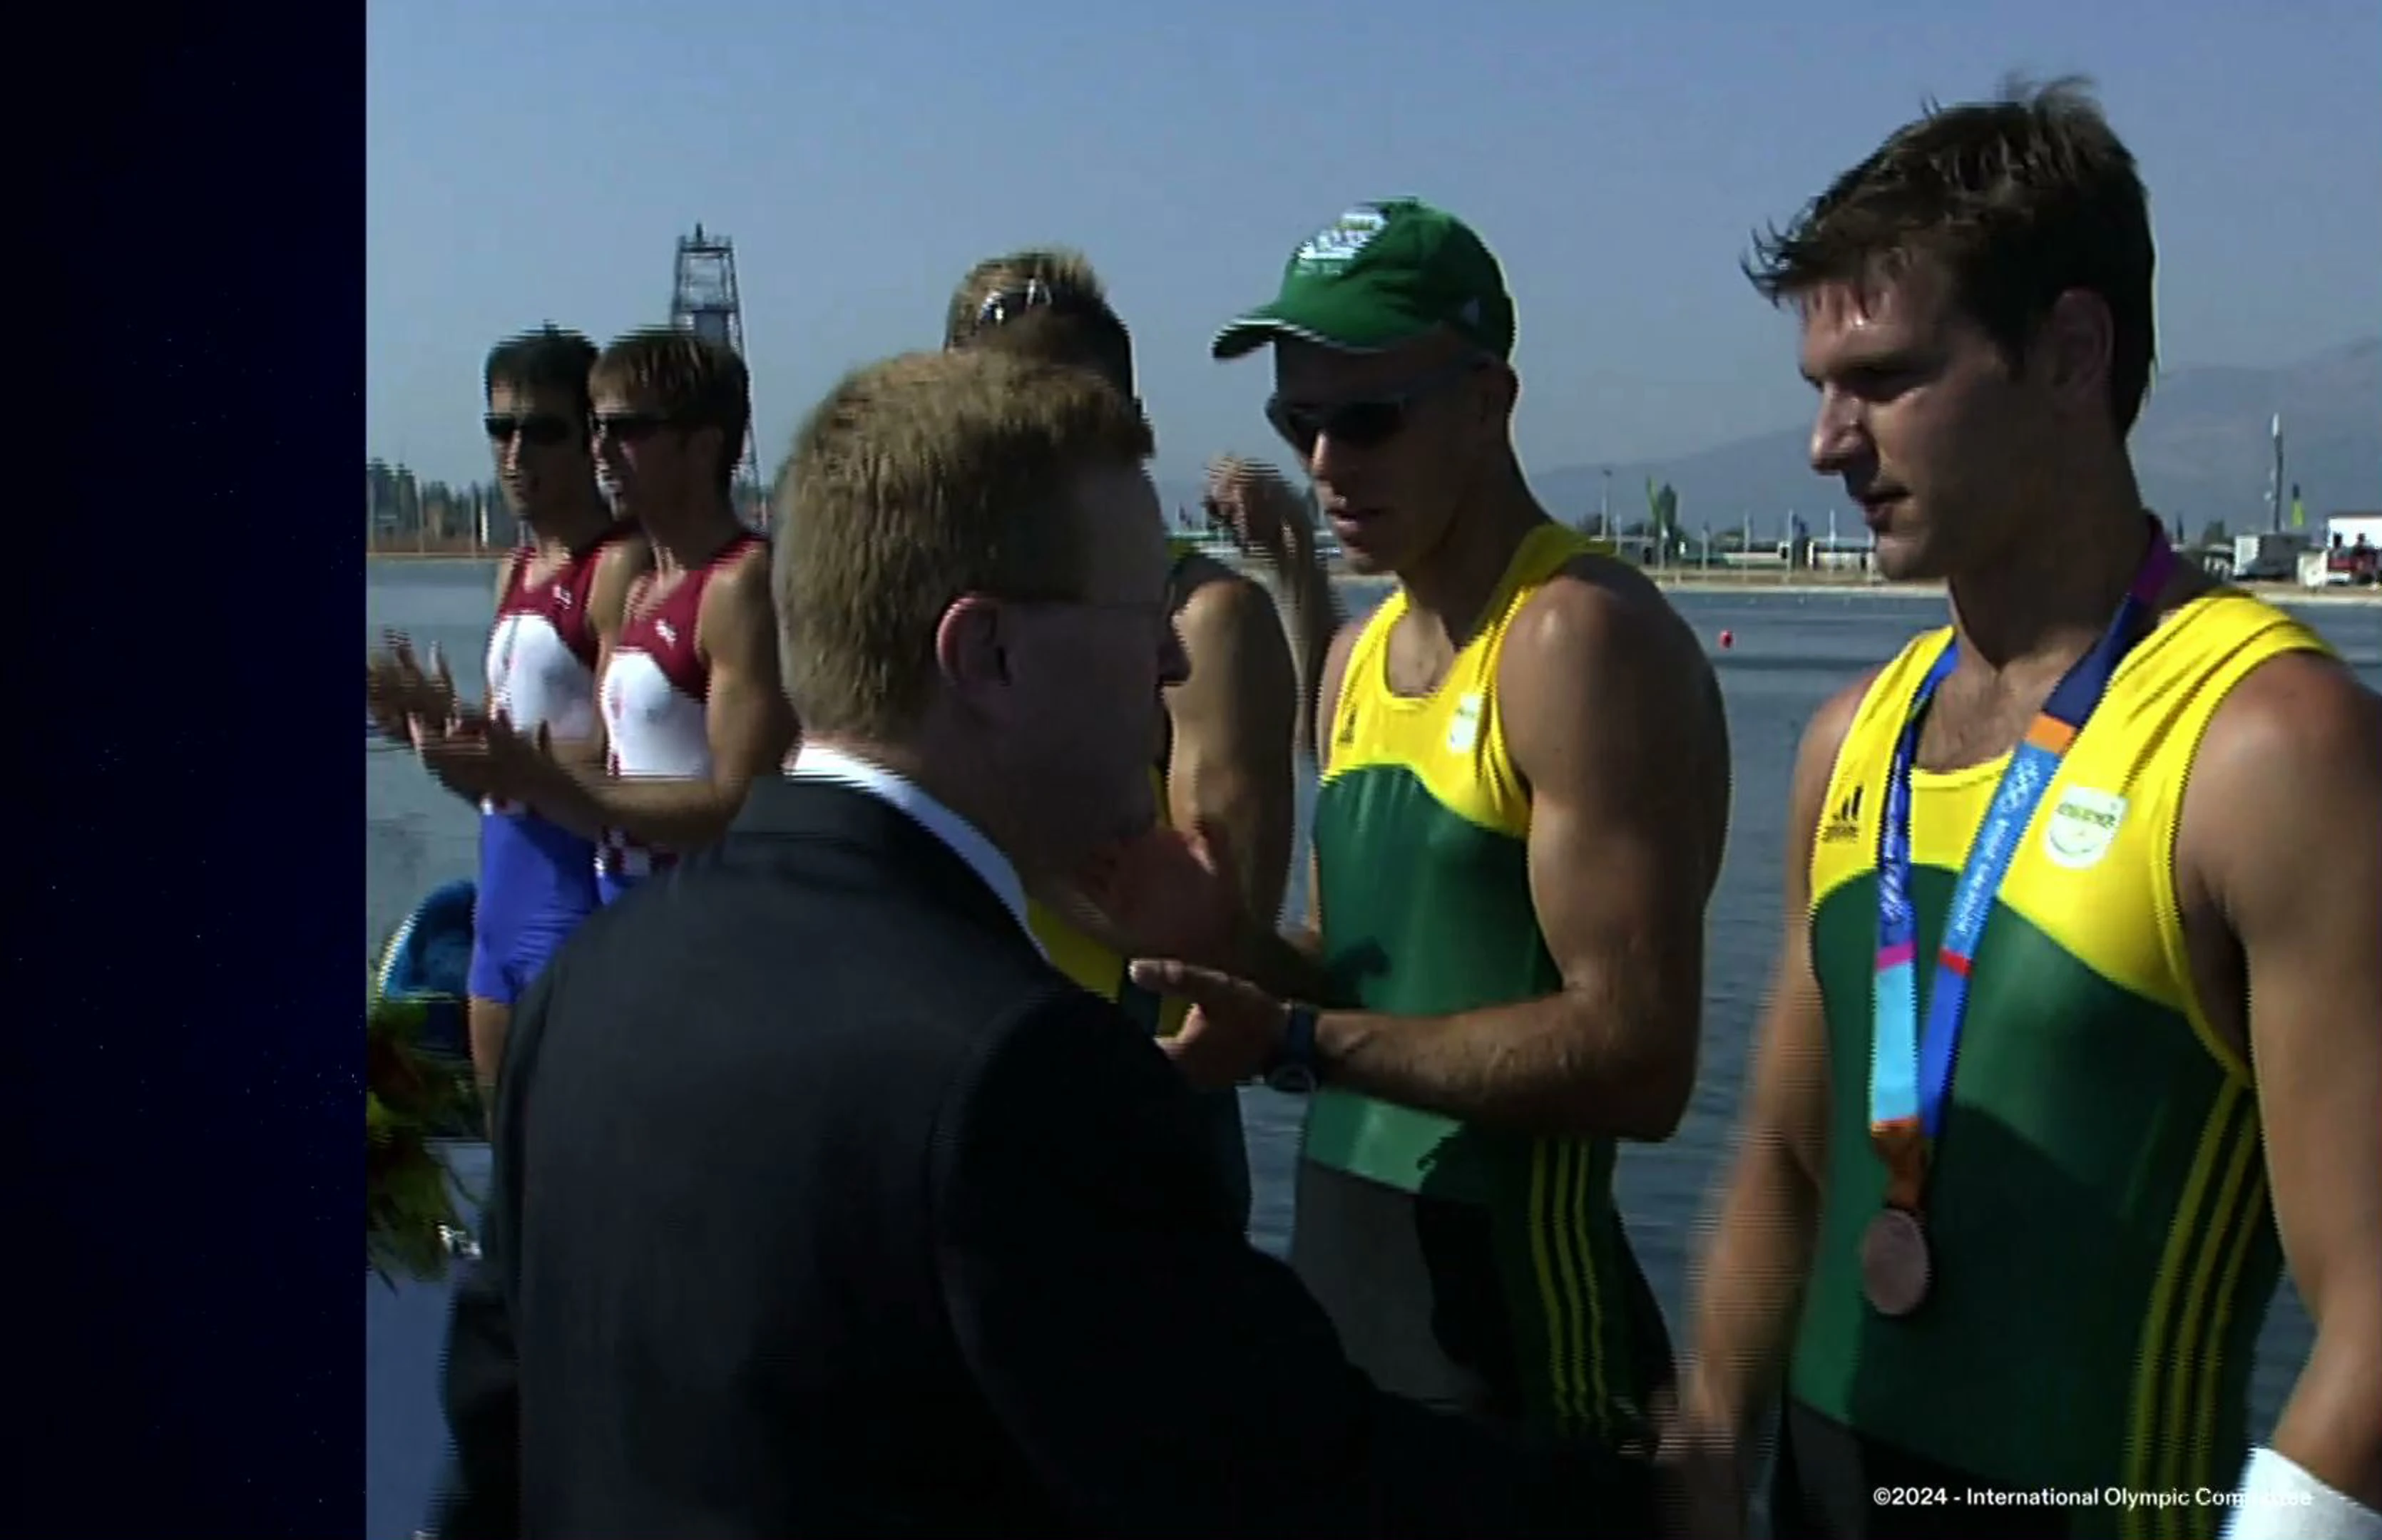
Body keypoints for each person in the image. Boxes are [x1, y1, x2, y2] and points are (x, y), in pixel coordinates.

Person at [432, 346, 1685, 1538]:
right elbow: (1290, 1483)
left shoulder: (590, 991)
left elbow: (496, 1436)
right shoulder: (1017, 1074)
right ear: (987, 655)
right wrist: (1659, 1498)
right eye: (1139, 609)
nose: (1168, 657)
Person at [1679, 79, 2382, 1540]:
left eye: (1881, 378)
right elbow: (1788, 1156)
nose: (1825, 443)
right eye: (1820, 386)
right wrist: (1703, 1442)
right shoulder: (1847, 744)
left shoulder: (2270, 747)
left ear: (2070, 352)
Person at [1097, 197, 1732, 1458]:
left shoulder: (1573, 641)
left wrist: (1293, 1038)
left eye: (1370, 420)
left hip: (1524, 1356)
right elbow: (1359, 972)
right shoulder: (1357, 656)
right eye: (1301, 422)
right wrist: (1197, 927)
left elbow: (1639, 1058)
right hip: (1353, 1321)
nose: (1328, 464)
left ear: (1492, 400)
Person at [939, 247, 1327, 1230]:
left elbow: (1218, 941)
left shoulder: (1205, 623)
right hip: (940, 1084)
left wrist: (944, 820)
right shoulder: (926, 606)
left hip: (1128, 1110)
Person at [371, 324, 649, 1098]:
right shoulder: (514, 572)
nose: (516, 453)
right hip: (503, 897)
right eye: (501, 428)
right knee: (510, 1172)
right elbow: (497, 776)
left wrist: (496, 755)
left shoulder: (619, 567)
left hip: (582, 902)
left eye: (542, 431)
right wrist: (434, 736)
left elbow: (630, 770)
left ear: (591, 439)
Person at [428, 327, 797, 905]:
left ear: (703, 447)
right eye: (598, 427)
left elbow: (745, 803)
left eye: (628, 430)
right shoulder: (645, 586)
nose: (599, 451)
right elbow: (613, 771)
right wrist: (462, 745)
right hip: (616, 904)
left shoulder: (738, 582)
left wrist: (546, 779)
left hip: (699, 921)